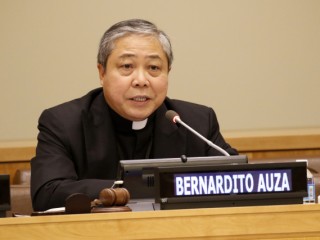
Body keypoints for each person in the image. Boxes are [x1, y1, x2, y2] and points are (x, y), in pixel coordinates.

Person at [31, 19, 238, 211]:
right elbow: (48, 192)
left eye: (154, 68)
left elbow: (236, 179)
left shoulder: (197, 122)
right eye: (127, 66)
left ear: (168, 73)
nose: (141, 80)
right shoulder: (63, 123)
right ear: (102, 73)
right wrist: (133, 188)